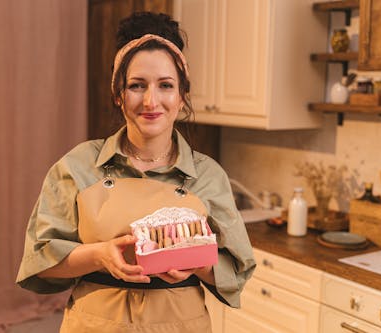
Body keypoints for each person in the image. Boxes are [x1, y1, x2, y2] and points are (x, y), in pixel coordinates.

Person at [16, 11, 255, 333]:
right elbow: (41, 260)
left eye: (166, 85)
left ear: (182, 97)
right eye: (136, 86)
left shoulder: (208, 176)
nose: (150, 100)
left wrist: (195, 262)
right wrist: (101, 255)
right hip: (95, 325)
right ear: (118, 95)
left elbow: (235, 271)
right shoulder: (79, 165)